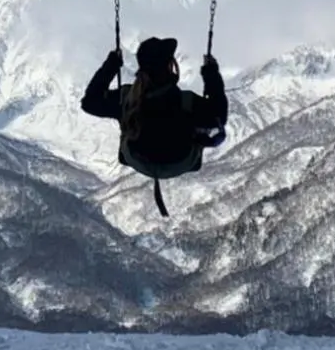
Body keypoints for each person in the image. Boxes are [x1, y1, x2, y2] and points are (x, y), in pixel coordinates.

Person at [80, 36, 228, 216]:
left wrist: (111, 65)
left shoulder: (128, 99)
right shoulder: (186, 102)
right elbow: (219, 116)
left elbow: (89, 103)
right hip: (181, 162)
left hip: (138, 159)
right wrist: (211, 73)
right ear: (170, 66)